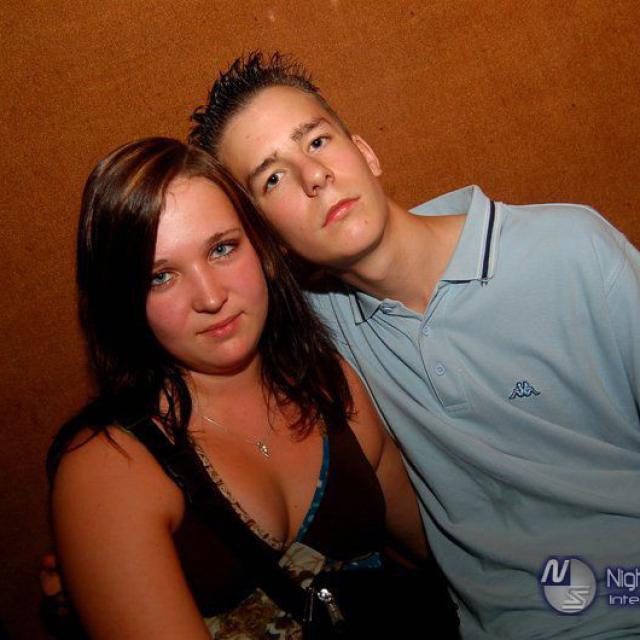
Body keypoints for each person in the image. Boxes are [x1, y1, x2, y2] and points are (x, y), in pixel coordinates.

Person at [187, 52, 640, 639]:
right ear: (267, 239)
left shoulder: (570, 249)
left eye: (317, 142)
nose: (313, 176)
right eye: (273, 178)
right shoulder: (319, 334)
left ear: (366, 153)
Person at [46, 137, 458, 639]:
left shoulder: (329, 383)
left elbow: (442, 545)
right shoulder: (109, 468)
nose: (210, 296)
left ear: (261, 248)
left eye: (222, 248)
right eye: (161, 277)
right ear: (123, 299)